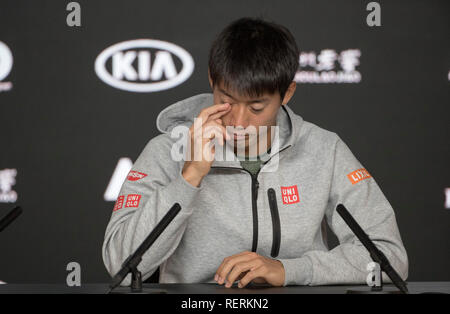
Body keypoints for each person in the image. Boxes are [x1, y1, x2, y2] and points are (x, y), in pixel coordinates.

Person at [102, 17, 408, 288]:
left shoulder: (324, 150)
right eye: (227, 100)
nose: (238, 122)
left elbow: (389, 259)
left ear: (287, 93)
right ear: (212, 79)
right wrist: (190, 175)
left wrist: (289, 271)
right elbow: (123, 268)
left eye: (256, 107)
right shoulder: (167, 151)